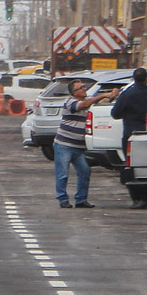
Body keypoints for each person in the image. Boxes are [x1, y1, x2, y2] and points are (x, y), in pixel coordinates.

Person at [54, 78, 95, 208]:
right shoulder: (70, 102)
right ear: (74, 92)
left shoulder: (86, 102)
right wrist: (104, 95)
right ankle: (62, 199)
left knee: (85, 171)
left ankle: (81, 199)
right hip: (64, 145)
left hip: (78, 147)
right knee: (63, 174)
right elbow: (83, 105)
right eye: (81, 87)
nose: (84, 89)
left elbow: (95, 102)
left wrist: (109, 96)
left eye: (84, 87)